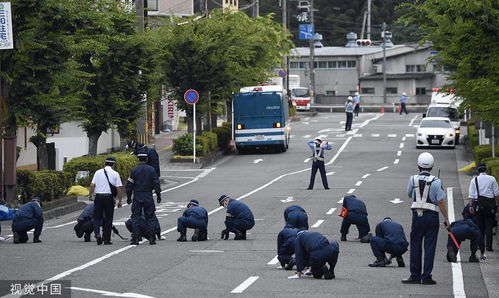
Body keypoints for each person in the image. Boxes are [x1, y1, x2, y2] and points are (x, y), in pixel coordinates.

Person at [402, 152, 449, 285]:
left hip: (417, 216)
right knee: (429, 247)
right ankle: (426, 276)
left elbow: (409, 194)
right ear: (432, 166)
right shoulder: (436, 181)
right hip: (432, 217)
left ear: (418, 165)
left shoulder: (413, 179)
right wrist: (446, 218)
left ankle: (414, 275)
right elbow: (440, 201)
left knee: (415, 245)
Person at [126, 153, 162, 245]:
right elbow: (156, 183)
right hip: (148, 195)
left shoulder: (134, 170)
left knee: (135, 217)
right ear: (146, 159)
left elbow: (129, 185)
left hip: (137, 195)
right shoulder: (151, 170)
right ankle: (152, 238)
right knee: (150, 217)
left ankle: (136, 238)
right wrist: (158, 195)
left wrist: (129, 197)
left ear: (138, 159)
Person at [89, 157, 124, 245]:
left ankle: (97, 234)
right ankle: (107, 239)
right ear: (113, 165)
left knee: (97, 217)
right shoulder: (115, 174)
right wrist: (120, 200)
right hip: (109, 198)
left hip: (99, 197)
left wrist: (90, 195)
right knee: (108, 218)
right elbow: (119, 188)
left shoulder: (98, 172)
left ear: (105, 164)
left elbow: (92, 185)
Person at [467, 163, 499, 259]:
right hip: (490, 205)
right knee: (489, 225)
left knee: (479, 226)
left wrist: (470, 206)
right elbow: (496, 193)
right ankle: (489, 246)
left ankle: (479, 245)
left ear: (478, 170)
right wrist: (497, 204)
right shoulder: (492, 179)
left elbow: (471, 195)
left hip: (478, 205)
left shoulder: (474, 180)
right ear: (486, 170)